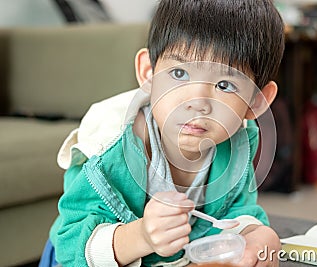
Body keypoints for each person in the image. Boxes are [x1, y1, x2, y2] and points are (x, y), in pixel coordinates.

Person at [39, 0, 285, 266]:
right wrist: (142, 236)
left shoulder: (236, 143)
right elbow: (71, 245)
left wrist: (257, 234)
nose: (197, 102)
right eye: (179, 73)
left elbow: (238, 212)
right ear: (149, 73)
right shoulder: (108, 146)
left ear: (256, 102)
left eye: (225, 85)